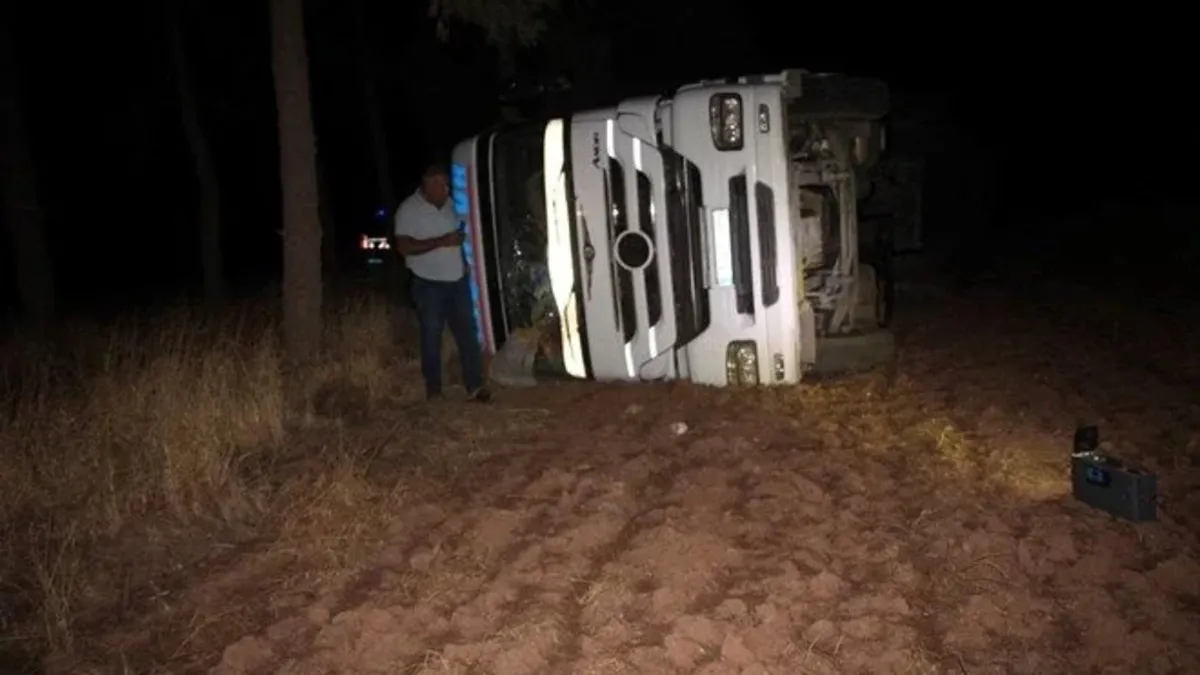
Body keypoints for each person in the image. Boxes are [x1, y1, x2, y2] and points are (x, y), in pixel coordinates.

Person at [393, 164, 491, 402]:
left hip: (457, 281)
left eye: (447, 184)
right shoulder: (408, 209)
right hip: (428, 284)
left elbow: (456, 238)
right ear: (427, 184)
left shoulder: (449, 205)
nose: (446, 189)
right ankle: (434, 390)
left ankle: (475, 386)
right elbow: (404, 247)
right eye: (440, 184)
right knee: (431, 336)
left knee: (468, 334)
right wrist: (441, 241)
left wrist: (463, 260)